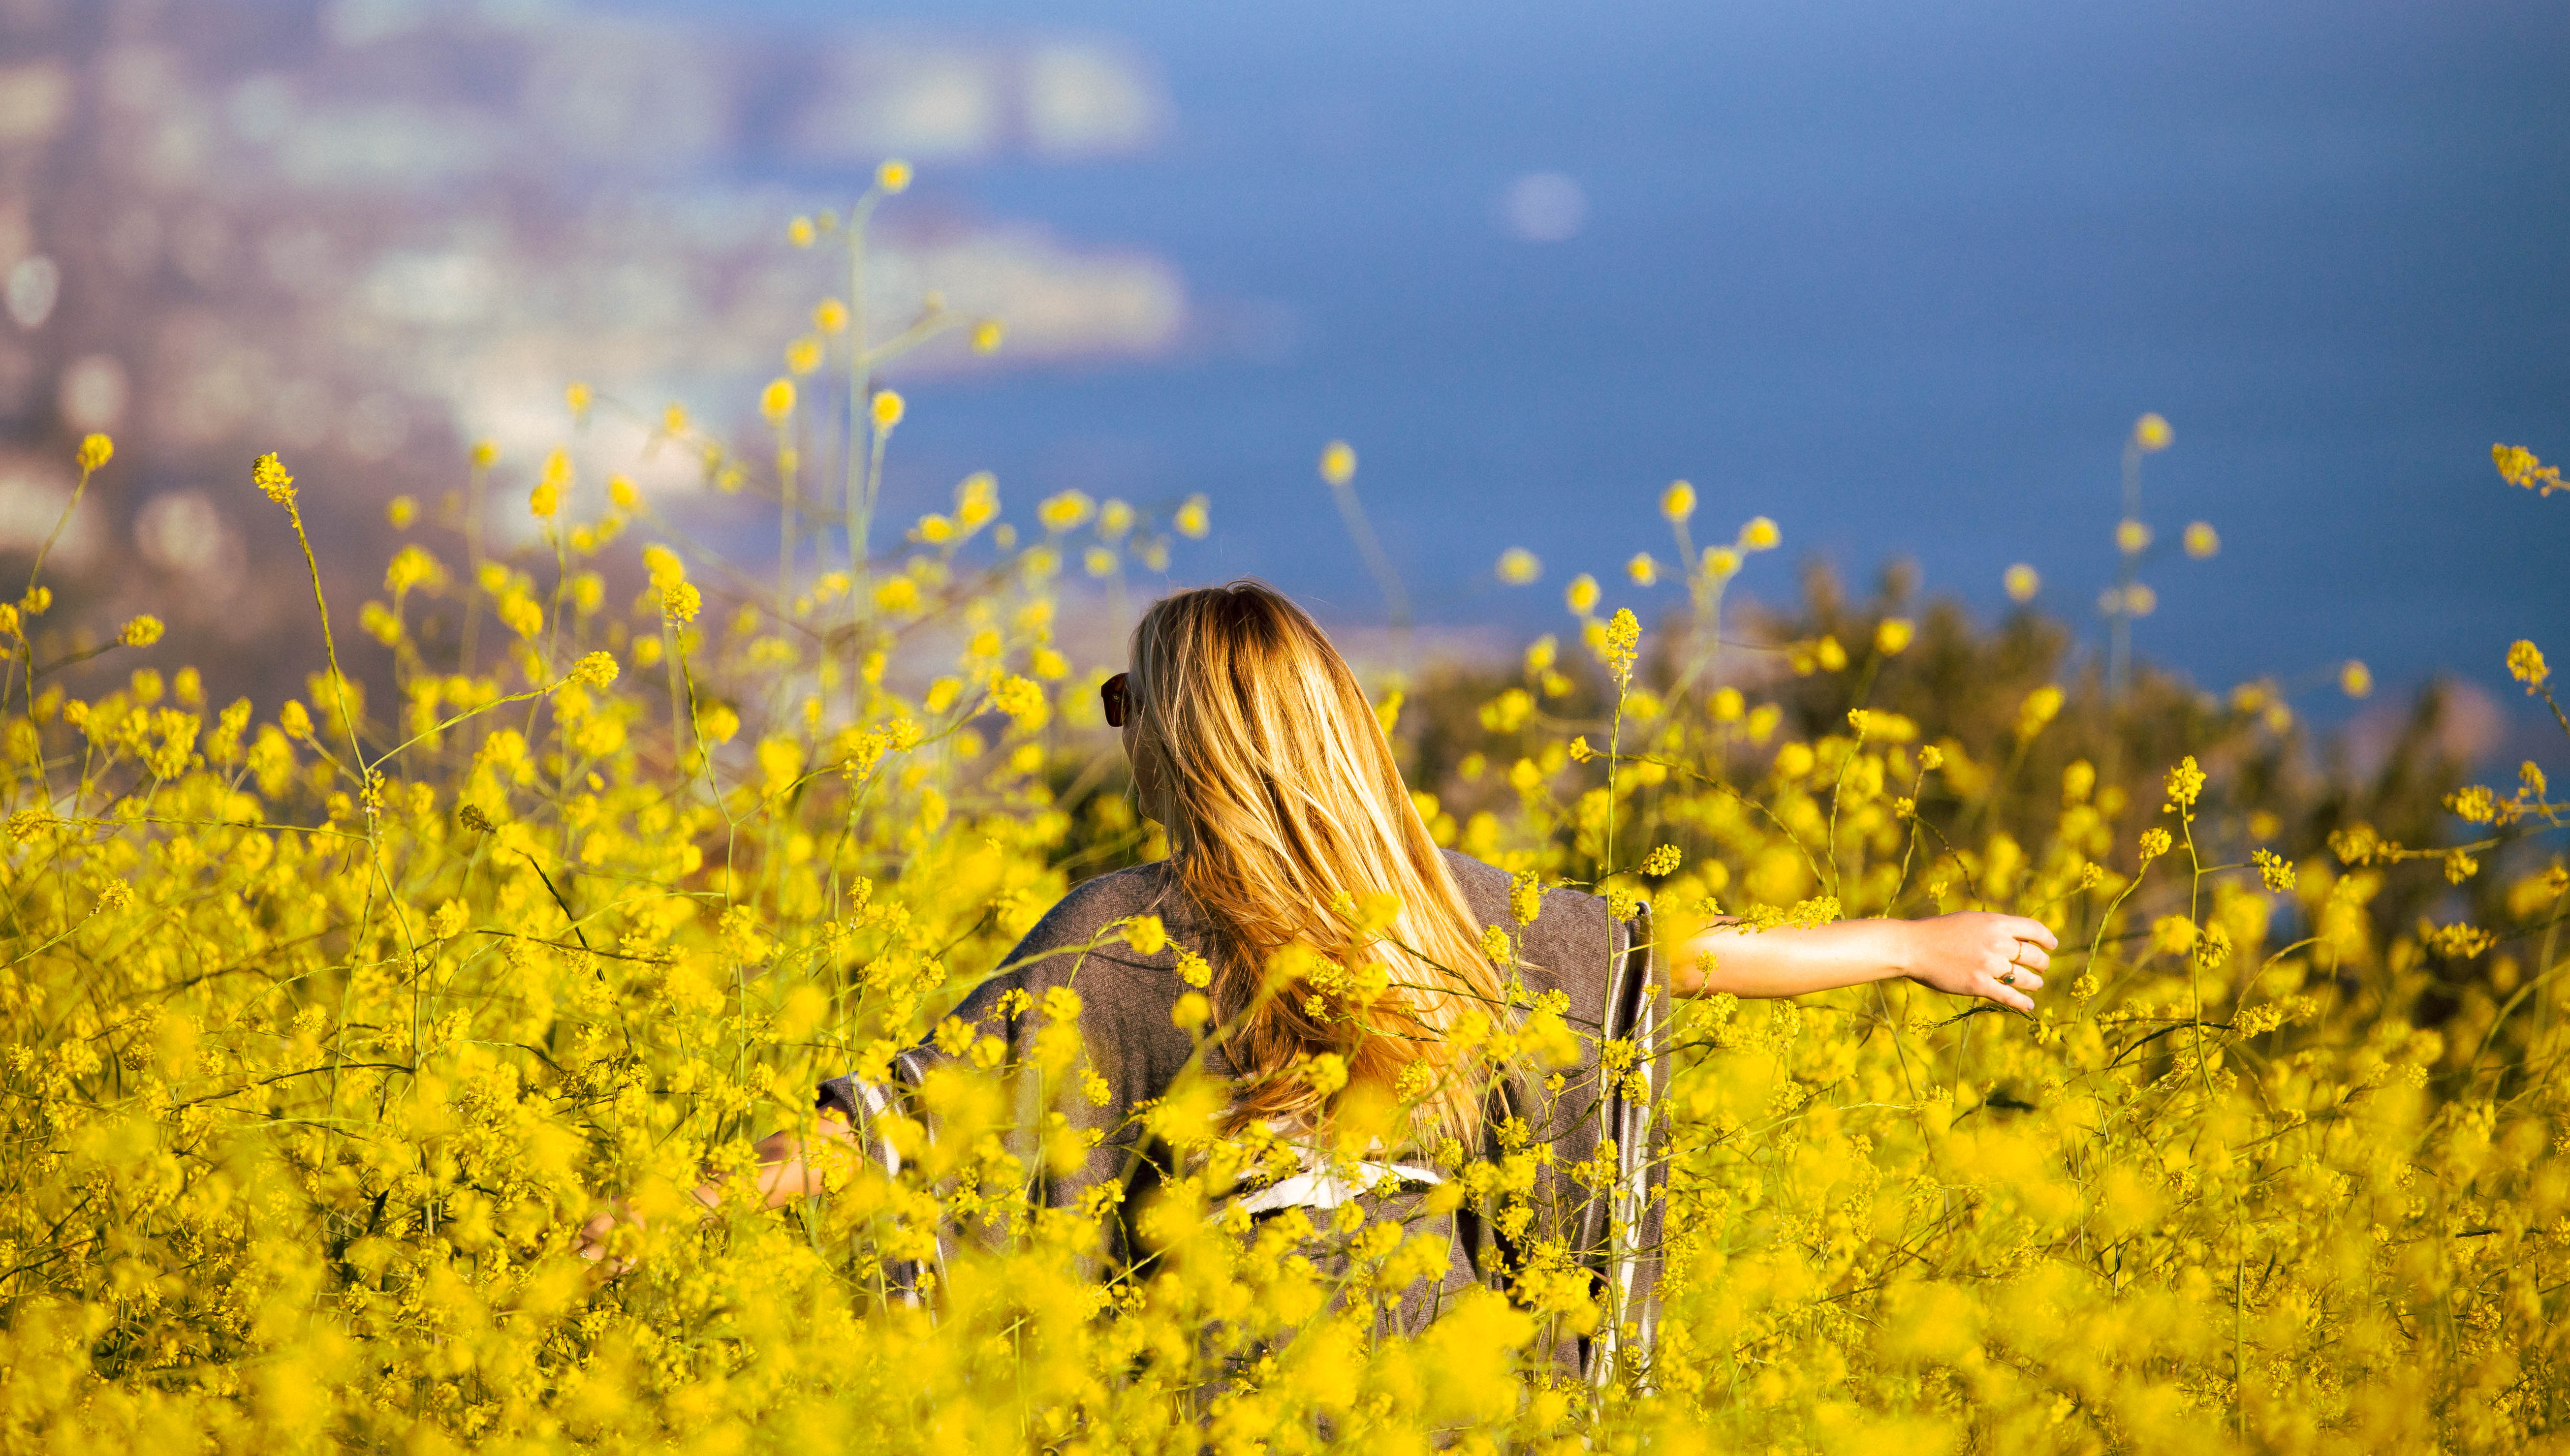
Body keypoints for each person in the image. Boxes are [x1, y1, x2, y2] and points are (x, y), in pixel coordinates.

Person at [586, 581, 2054, 1369]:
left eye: (1127, 710)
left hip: (1224, 1399)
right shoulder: (1457, 919)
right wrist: (1916, 949)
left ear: (1183, 744)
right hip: (1452, 1405)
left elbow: (895, 1127)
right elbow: (1677, 964)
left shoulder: (1120, 938)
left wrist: (662, 1208)